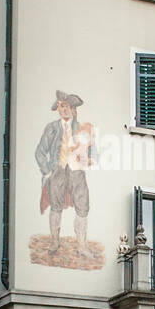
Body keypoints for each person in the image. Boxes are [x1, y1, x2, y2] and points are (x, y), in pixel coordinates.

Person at [35, 91, 96, 260]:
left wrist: (87, 159)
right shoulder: (52, 128)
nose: (64, 110)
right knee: (55, 205)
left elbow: (93, 152)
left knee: (83, 206)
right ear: (58, 109)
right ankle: (55, 242)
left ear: (74, 109)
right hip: (57, 171)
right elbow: (40, 152)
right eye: (61, 106)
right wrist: (47, 170)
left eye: (67, 106)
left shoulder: (83, 129)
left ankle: (82, 246)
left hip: (77, 171)